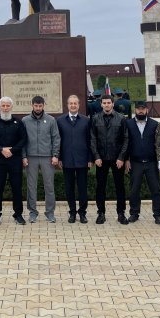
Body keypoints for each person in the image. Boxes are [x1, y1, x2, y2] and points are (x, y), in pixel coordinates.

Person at [0, 97, 28, 225]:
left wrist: (12, 150)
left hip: (14, 160)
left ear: (11, 107)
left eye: (7, 105)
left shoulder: (18, 122)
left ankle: (18, 215)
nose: (5, 108)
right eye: (3, 105)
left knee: (17, 188)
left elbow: (23, 139)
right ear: (0, 107)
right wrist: (1, 149)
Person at [90, 94, 129, 225]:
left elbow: (126, 139)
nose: (106, 105)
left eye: (109, 103)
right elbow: (92, 139)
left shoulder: (121, 119)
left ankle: (121, 213)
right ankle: (101, 213)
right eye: (104, 103)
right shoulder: (95, 118)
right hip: (101, 159)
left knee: (120, 187)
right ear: (101, 104)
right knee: (100, 187)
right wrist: (96, 156)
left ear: (113, 104)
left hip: (117, 159)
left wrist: (121, 157)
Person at [22, 96, 60, 223]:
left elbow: (56, 138)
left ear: (43, 105)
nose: (38, 108)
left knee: (49, 186)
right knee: (31, 186)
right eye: (36, 106)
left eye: (40, 106)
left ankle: (50, 212)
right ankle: (33, 212)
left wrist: (55, 155)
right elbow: (22, 140)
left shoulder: (50, 120)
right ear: (32, 105)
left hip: (47, 157)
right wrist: (23, 156)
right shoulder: (25, 120)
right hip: (31, 157)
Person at [125, 101, 160, 224]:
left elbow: (159, 144)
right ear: (135, 110)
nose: (140, 111)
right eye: (138, 109)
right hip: (135, 162)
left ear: (147, 110)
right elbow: (125, 143)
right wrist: (126, 159)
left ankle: (157, 214)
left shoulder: (154, 124)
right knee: (134, 189)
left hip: (151, 162)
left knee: (155, 190)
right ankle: (134, 213)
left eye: (143, 109)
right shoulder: (128, 124)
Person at [57, 95, 91, 224]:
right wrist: (59, 157)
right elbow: (57, 141)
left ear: (79, 105)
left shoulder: (86, 120)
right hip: (67, 160)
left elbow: (90, 141)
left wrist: (90, 158)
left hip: (82, 160)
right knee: (69, 188)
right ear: (67, 105)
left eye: (75, 103)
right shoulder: (60, 121)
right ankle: (72, 212)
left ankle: (82, 213)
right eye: (70, 103)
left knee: (82, 188)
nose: (73, 105)